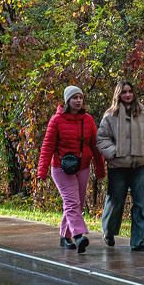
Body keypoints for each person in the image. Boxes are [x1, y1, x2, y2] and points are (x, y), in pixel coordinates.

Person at [37, 85, 105, 253]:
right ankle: (79, 235)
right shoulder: (56, 120)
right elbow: (47, 147)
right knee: (72, 202)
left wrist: (100, 168)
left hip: (82, 167)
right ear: (67, 100)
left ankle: (64, 236)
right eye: (75, 98)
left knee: (78, 203)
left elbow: (95, 146)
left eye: (80, 97)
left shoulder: (88, 120)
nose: (78, 101)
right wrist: (42, 171)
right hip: (61, 168)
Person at [96, 80, 144, 252]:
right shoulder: (110, 116)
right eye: (124, 92)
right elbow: (101, 139)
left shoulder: (143, 115)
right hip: (118, 167)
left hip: (140, 166)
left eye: (130, 91)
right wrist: (113, 152)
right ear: (118, 94)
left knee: (141, 204)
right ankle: (108, 231)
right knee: (115, 202)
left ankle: (138, 242)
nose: (128, 94)